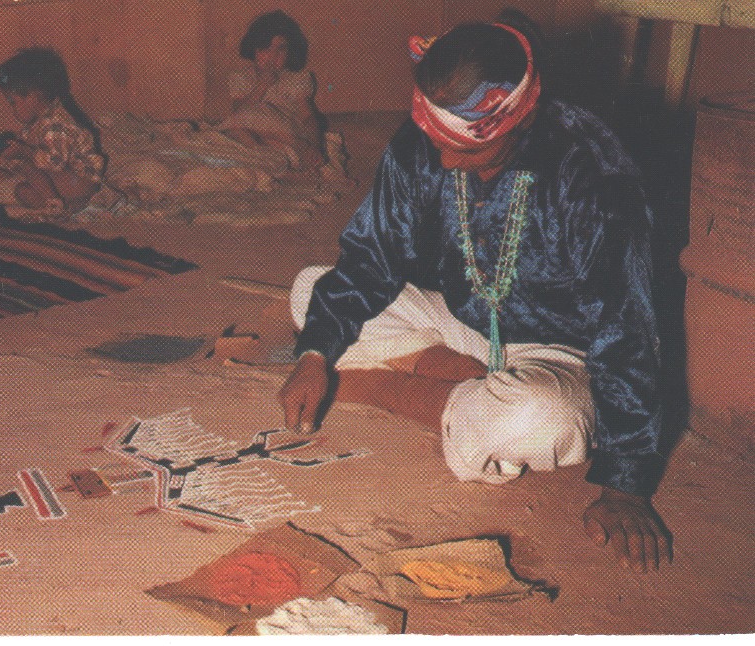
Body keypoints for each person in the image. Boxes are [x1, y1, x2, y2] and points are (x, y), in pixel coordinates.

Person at [278, 15, 673, 573]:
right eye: (437, 144)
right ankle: (458, 377)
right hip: (463, 318)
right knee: (312, 289)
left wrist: (627, 486)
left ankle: (377, 389)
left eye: (465, 152)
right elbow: (370, 256)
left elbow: (625, 328)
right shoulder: (423, 143)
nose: (443, 163)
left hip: (560, 352)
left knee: (539, 421)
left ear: (522, 118)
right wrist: (316, 353)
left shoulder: (594, 174)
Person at [0, 47, 106, 210]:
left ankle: (54, 202)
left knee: (28, 168)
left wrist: (24, 153)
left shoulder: (56, 125)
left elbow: (54, 164)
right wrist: (12, 156)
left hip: (81, 180)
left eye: (12, 102)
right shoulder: (36, 124)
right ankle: (66, 208)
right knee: (22, 191)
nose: (12, 109)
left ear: (32, 96)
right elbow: (36, 156)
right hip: (67, 184)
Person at [219, 10, 325, 170]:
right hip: (263, 145)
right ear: (253, 49)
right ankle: (275, 168)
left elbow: (307, 116)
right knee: (236, 130)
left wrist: (315, 144)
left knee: (256, 113)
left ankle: (297, 150)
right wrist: (262, 85)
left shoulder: (296, 78)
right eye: (266, 49)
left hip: (290, 136)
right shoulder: (241, 77)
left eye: (281, 49)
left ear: (290, 52)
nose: (273, 56)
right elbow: (237, 113)